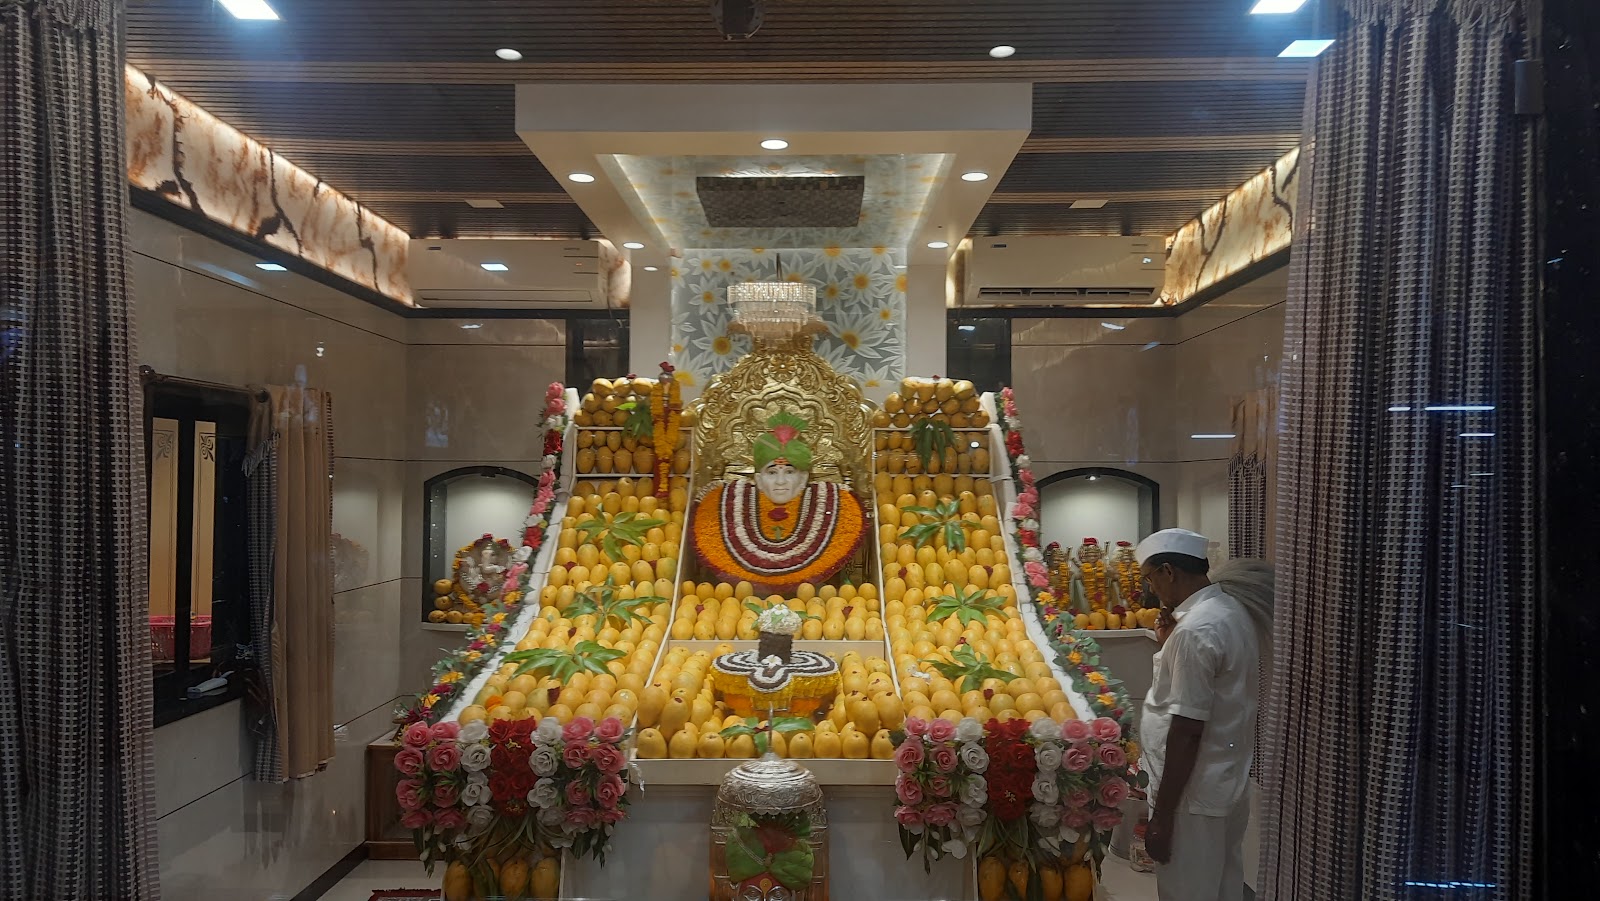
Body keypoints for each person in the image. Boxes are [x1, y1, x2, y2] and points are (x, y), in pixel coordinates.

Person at [1135, 528, 1274, 901]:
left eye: (1150, 578)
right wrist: (1169, 645)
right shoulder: (1229, 611)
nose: (1151, 590)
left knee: (1188, 891)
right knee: (1224, 887)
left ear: (1169, 571)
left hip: (1190, 798)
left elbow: (1187, 729)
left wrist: (1163, 816)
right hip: (1224, 782)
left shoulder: (1196, 630)